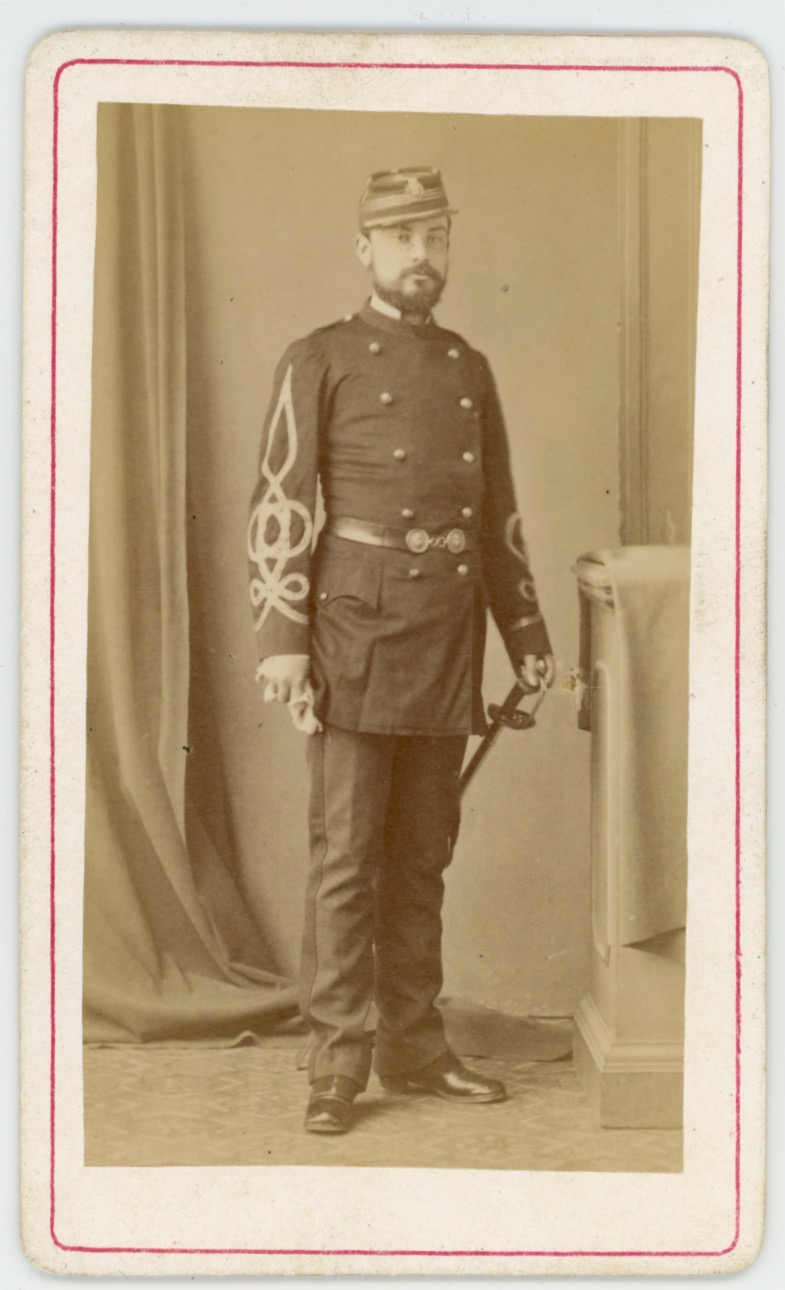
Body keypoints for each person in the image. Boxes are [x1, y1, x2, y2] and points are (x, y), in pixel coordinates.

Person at [248, 167, 554, 1134]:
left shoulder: (468, 368)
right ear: (366, 249)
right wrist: (282, 642)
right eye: (403, 237)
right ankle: (336, 1067)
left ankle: (416, 1050)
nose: (423, 256)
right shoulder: (319, 357)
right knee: (346, 860)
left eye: (437, 238)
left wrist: (529, 637)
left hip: (444, 638)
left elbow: (496, 514)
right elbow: (280, 505)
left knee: (422, 857)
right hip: (350, 635)